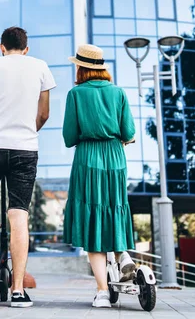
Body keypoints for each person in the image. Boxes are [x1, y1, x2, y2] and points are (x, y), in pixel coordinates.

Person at [0, 27, 56, 308]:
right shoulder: (41, 67)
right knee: (18, 215)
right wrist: (30, 130)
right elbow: (44, 113)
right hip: (25, 148)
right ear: (26, 48)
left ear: (1, 46)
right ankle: (18, 290)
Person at [62, 44, 137, 309]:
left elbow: (69, 138)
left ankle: (103, 292)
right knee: (114, 207)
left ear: (81, 68)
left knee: (93, 221)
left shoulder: (75, 94)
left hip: (88, 159)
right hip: (115, 158)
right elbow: (129, 132)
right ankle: (123, 253)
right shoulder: (118, 92)